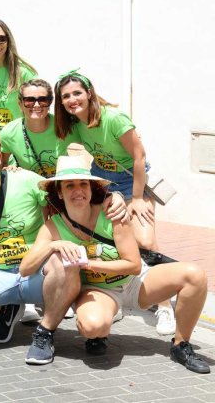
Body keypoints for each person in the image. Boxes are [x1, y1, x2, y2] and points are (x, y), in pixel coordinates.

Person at [0, 134, 128, 365]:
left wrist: (113, 197)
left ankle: (45, 333)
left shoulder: (26, 181)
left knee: (63, 260)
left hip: (39, 270)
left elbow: (72, 194)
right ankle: (3, 310)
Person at [19, 155, 210, 374]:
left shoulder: (111, 213)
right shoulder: (53, 226)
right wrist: (55, 245)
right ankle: (98, 334)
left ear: (91, 189)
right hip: (99, 291)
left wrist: (88, 264)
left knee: (195, 275)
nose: (77, 190)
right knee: (92, 326)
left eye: (83, 184)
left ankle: (181, 345)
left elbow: (134, 265)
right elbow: (25, 268)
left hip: (135, 283)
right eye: (69, 185)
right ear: (59, 192)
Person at [54, 68, 176, 334]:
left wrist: (135, 198)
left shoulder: (113, 118)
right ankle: (110, 298)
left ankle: (165, 306)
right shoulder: (75, 125)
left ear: (89, 93)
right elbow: (61, 150)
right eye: (66, 96)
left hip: (132, 180)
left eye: (77, 93)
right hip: (101, 180)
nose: (72, 99)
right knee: (100, 235)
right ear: (61, 101)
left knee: (144, 239)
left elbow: (139, 157)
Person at [0, 19, 38, 129]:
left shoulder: (24, 73)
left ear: (8, 42)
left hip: (16, 139)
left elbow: (37, 109)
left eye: (2, 39)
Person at [1, 79, 68, 177]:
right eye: (29, 100)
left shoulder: (64, 126)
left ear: (50, 102)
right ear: (20, 104)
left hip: (59, 185)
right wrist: (10, 169)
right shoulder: (8, 133)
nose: (36, 105)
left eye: (42, 100)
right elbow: (3, 164)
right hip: (29, 187)